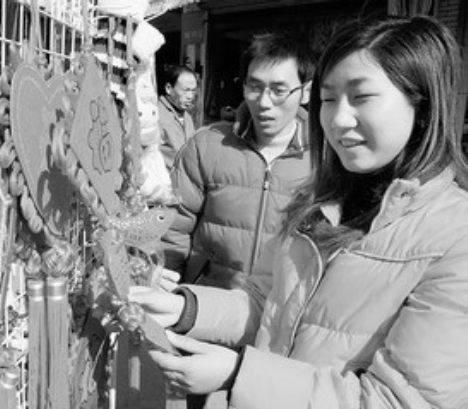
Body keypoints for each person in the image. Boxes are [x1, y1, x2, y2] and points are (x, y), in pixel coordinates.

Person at [131, 15, 468, 409]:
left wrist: (239, 375)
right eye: (329, 99)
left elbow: (402, 401)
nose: (338, 119)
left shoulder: (455, 236)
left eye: (361, 97)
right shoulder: (319, 203)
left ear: (422, 105)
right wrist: (186, 308)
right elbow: (267, 301)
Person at [161, 32, 315, 290]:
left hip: (281, 306)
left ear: (306, 92)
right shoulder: (208, 145)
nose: (264, 102)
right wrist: (167, 283)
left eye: (279, 90)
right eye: (254, 87)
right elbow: (173, 224)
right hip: (206, 301)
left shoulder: (324, 159)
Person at [158, 65, 198, 170]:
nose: (190, 96)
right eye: (185, 90)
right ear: (169, 88)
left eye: (193, 90)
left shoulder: (187, 117)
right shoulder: (156, 115)